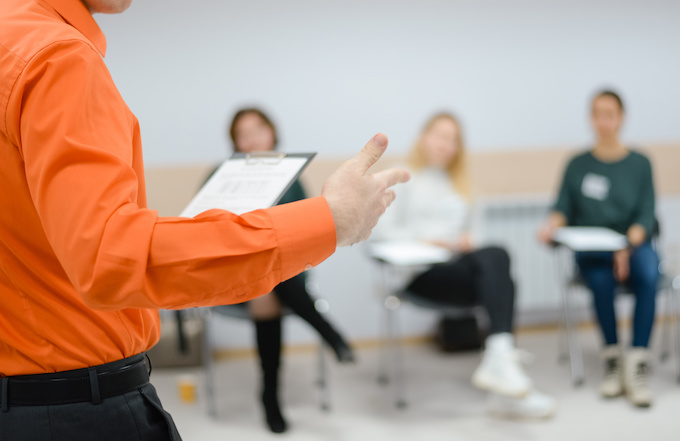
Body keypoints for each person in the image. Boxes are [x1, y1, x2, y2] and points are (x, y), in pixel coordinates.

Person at [0, 1, 409, 440]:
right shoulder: (54, 56)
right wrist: (330, 221)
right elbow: (109, 257)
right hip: (68, 406)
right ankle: (322, 344)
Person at [374, 112, 556, 419]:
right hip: (421, 274)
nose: (446, 144)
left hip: (459, 268)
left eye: (454, 139)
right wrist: (430, 241)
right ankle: (503, 372)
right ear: (424, 138)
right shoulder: (403, 179)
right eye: (440, 135)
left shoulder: (464, 186)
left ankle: (500, 364)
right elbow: (382, 232)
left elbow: (478, 236)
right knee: (505, 276)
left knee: (497, 256)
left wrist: (465, 242)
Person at [220, 107, 355, 433]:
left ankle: (270, 397)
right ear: (235, 142)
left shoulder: (292, 177)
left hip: (285, 276)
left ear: (272, 132)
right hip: (237, 278)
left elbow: (309, 234)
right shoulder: (223, 176)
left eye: (258, 129)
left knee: (272, 283)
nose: (252, 138)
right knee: (265, 280)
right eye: (244, 133)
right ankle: (327, 331)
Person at [538, 90, 659, 408]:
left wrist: (626, 246)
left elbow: (646, 214)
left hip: (632, 244)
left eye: (610, 113)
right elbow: (562, 206)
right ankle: (612, 359)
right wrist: (551, 224)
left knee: (649, 272)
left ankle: (637, 362)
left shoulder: (640, 163)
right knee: (601, 281)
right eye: (597, 113)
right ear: (590, 118)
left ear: (621, 118)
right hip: (592, 250)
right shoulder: (577, 163)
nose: (603, 120)